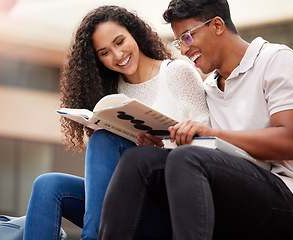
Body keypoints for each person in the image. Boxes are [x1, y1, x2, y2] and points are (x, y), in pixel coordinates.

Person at [97, 0, 293, 239]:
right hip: (230, 190)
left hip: (288, 200)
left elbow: (292, 142)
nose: (183, 50)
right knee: (139, 159)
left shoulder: (276, 60)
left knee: (187, 159)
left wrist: (212, 134)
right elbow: (212, 158)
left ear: (216, 25)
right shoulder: (210, 88)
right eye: (179, 41)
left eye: (187, 37)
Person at [23, 5, 210, 240]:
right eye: (104, 52)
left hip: (170, 204)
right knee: (48, 185)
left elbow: (209, 150)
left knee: (104, 139)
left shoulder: (177, 72)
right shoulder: (112, 95)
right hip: (125, 204)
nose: (117, 55)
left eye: (120, 42)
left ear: (134, 33)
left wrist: (161, 150)